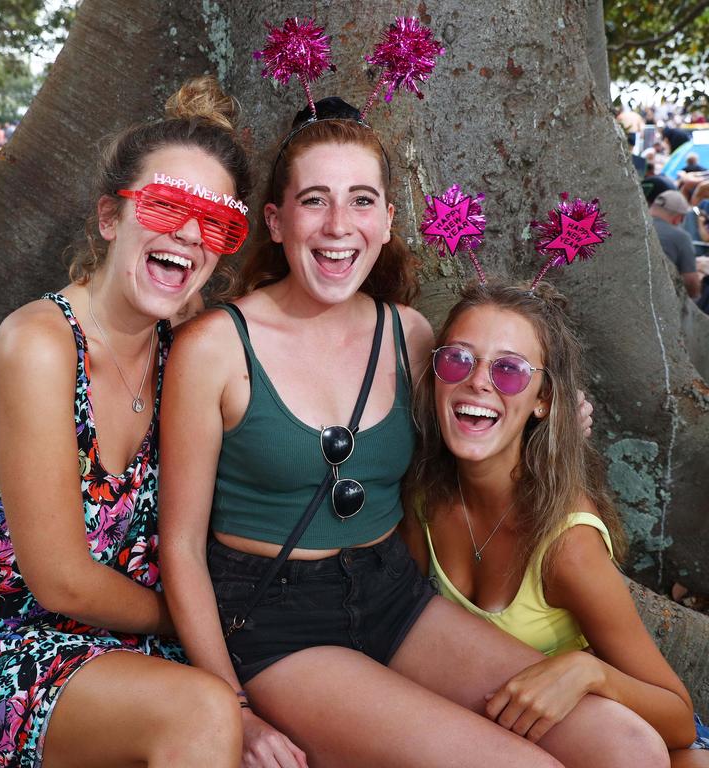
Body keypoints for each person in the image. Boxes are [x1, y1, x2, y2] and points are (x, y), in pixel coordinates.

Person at [159, 97, 668, 767]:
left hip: (393, 593)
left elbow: (478, 412)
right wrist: (232, 706)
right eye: (315, 200)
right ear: (276, 223)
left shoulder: (411, 335)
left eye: (362, 200)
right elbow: (180, 547)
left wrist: (555, 409)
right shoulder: (216, 347)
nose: (340, 225)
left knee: (627, 746)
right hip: (274, 623)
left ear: (387, 220)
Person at [0, 76, 253, 768]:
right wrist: (190, 620)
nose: (190, 235)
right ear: (111, 218)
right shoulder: (39, 346)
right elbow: (62, 581)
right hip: (13, 643)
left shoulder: (189, 349)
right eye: (166, 205)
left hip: (143, 641)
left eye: (217, 222)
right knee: (205, 714)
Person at [404, 281, 709, 766]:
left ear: (544, 399)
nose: (478, 381)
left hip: (609, 740)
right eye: (458, 359)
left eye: (509, 370)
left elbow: (676, 714)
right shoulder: (423, 497)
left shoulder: (567, 544)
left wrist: (589, 673)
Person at [650, 190, 701, 298]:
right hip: (659, 299)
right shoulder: (680, 237)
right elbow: (691, 284)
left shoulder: (633, 226)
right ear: (678, 218)